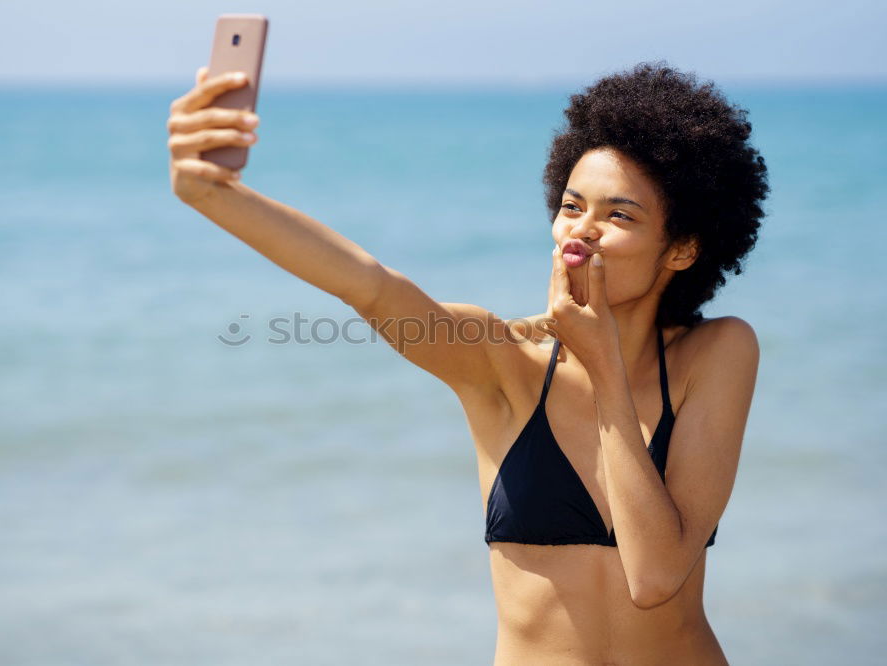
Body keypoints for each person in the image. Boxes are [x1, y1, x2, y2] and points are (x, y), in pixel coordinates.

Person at [166, 60, 768, 665]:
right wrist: (214, 195)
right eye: (570, 205)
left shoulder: (715, 354)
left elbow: (655, 577)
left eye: (619, 215)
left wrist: (606, 367)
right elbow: (371, 286)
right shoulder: (499, 359)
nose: (580, 232)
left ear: (684, 248)